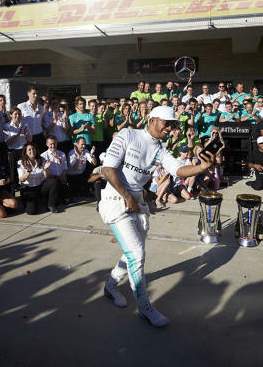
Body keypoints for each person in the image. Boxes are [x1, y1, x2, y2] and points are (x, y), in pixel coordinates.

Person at [99, 106, 215, 327]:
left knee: (133, 252)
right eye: (167, 122)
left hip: (137, 202)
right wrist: (127, 196)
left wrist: (201, 167)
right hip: (115, 199)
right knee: (136, 253)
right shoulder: (128, 134)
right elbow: (108, 168)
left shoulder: (160, 149)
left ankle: (110, 286)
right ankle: (144, 309)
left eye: (173, 124)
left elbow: (178, 169)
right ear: (152, 120)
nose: (170, 127)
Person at [17, 143, 59, 215]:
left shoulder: (42, 160)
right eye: (29, 150)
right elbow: (22, 179)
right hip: (28, 189)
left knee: (54, 182)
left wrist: (45, 169)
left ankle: (51, 205)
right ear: (26, 152)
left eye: (33, 149)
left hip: (40, 187)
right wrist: (28, 171)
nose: (32, 151)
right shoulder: (21, 162)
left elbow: (47, 177)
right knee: (32, 212)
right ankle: (33, 202)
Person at [41, 135, 72, 212]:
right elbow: (44, 175)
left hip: (60, 179)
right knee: (54, 183)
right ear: (47, 144)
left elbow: (65, 169)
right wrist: (56, 177)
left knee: (68, 199)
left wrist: (63, 177)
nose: (53, 146)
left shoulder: (62, 154)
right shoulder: (43, 156)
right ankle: (51, 205)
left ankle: (57, 199)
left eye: (54, 143)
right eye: (51, 144)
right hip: (51, 180)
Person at [18, 85, 45, 150]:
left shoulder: (41, 107)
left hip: (39, 136)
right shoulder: (21, 106)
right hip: (27, 137)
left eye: (37, 94)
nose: (36, 96)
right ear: (28, 94)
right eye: (34, 93)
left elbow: (42, 122)